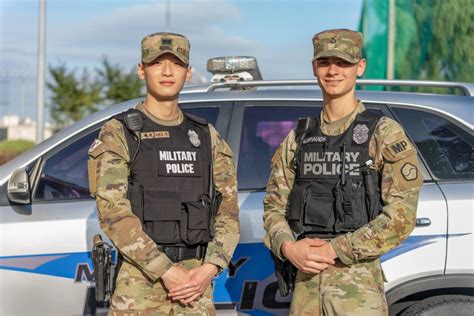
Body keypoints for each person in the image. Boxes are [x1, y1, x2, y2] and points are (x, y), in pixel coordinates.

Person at [263, 29, 423, 315]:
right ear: (314, 67)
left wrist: (336, 249)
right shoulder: (299, 137)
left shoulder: (382, 133)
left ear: (359, 67)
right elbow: (274, 206)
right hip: (306, 288)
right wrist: (288, 247)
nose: (333, 71)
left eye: (343, 62)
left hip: (357, 290)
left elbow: (401, 217)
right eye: (325, 62)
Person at [88, 32, 240, 315]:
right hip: (141, 281)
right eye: (157, 63)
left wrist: (209, 268)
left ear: (188, 72)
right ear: (141, 70)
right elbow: (112, 212)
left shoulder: (206, 136)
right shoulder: (119, 133)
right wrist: (165, 271)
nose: (167, 71)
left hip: (196, 285)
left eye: (176, 64)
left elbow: (228, 213)